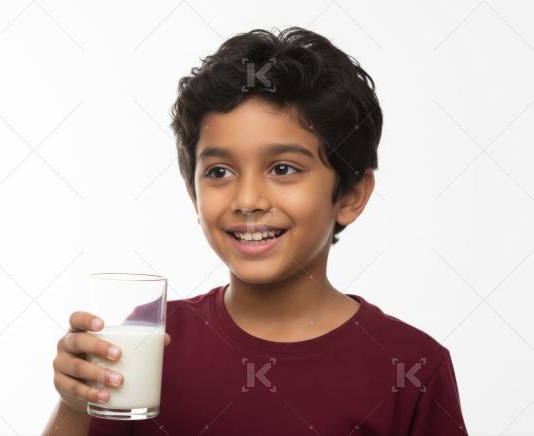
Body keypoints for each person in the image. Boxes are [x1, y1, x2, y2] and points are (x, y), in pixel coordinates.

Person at [43, 26, 468, 435]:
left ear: (351, 195)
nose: (247, 200)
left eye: (283, 169)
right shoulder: (150, 341)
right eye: (219, 171)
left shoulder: (412, 368)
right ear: (194, 196)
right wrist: (74, 403)